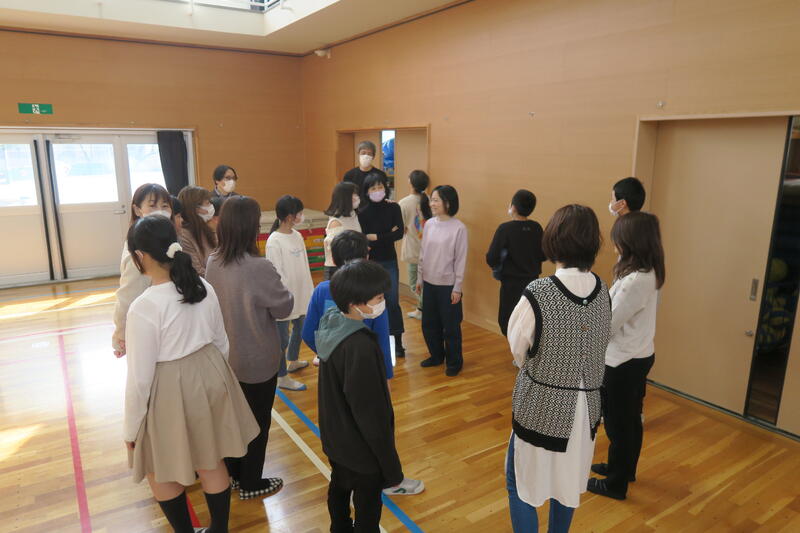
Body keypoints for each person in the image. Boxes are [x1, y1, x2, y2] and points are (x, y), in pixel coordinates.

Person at [124, 215, 258, 533]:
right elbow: (221, 341)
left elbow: (140, 378)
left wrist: (131, 428)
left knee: (160, 467)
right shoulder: (202, 286)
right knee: (212, 460)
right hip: (211, 372)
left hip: (170, 387)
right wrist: (216, 378)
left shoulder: (144, 307)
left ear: (140, 256)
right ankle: (219, 529)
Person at [505, 205, 611, 533]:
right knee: (567, 486)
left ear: (553, 240)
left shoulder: (539, 292)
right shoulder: (603, 290)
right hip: (586, 410)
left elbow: (518, 349)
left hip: (542, 407)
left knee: (520, 484)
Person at [206, 196, 294, 500]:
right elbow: (284, 307)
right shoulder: (259, 266)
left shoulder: (213, 261)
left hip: (224, 359)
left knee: (231, 421)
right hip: (257, 359)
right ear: (250, 228)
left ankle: (233, 475)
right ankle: (251, 482)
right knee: (257, 423)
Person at [316, 260, 404, 531]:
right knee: (367, 506)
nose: (382, 302)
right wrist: (391, 465)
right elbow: (370, 413)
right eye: (378, 298)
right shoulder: (360, 347)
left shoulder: (331, 321)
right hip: (361, 449)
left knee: (339, 486)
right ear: (355, 303)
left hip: (336, 437)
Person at [588, 212, 665, 501]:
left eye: (618, 238)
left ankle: (615, 484)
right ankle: (623, 469)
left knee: (618, 424)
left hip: (623, 361)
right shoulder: (648, 271)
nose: (614, 243)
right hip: (637, 354)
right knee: (630, 420)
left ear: (630, 241)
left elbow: (607, 324)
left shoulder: (635, 280)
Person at [112, 183, 172, 357]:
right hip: (149, 327)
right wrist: (121, 335)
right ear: (137, 210)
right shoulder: (138, 252)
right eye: (152, 205)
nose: (160, 211)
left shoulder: (167, 239)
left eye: (165, 206)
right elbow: (126, 298)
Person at [417, 185, 468, 377]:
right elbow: (423, 253)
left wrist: (457, 288)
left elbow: (460, 260)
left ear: (448, 202)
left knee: (451, 326)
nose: (432, 204)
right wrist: (420, 278)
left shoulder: (459, 228)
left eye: (436, 200)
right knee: (429, 323)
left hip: (448, 286)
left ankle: (454, 362)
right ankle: (436, 356)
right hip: (429, 282)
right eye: (432, 200)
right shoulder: (430, 224)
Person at [266, 195, 314, 392]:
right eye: (299, 213)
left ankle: (292, 360)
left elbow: (304, 266)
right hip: (284, 298)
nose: (301, 216)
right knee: (282, 340)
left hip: (301, 293)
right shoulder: (274, 241)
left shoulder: (297, 235)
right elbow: (276, 274)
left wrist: (309, 289)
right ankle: (281, 376)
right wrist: (284, 297)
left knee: (301, 328)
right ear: (288, 216)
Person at [358, 172, 407, 357]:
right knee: (371, 302)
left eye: (380, 187)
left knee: (392, 302)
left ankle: (398, 342)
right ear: (367, 191)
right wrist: (387, 234)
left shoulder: (393, 207)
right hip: (370, 263)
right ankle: (373, 340)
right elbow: (364, 239)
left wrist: (377, 237)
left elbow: (399, 233)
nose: (377, 190)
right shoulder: (362, 212)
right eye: (373, 188)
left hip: (389, 261)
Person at [486, 189, 545, 337]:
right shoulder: (537, 228)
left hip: (510, 285)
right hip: (533, 284)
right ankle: (525, 350)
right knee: (528, 322)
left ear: (513, 207)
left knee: (508, 322)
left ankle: (517, 350)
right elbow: (544, 255)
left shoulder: (505, 229)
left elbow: (491, 258)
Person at [398, 170, 432, 320]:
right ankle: (421, 310)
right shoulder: (431, 200)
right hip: (430, 251)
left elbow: (401, 228)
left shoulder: (404, 203)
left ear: (410, 182)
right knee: (426, 283)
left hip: (414, 251)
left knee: (415, 284)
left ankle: (427, 311)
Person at [323, 182, 362, 280]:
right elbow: (336, 250)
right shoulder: (336, 222)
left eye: (356, 194)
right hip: (337, 269)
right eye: (353, 194)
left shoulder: (353, 214)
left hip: (352, 265)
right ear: (345, 197)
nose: (357, 197)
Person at [177, 186, 217, 277]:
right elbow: (196, 270)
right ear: (196, 209)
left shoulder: (207, 227)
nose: (211, 206)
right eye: (207, 203)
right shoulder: (184, 235)